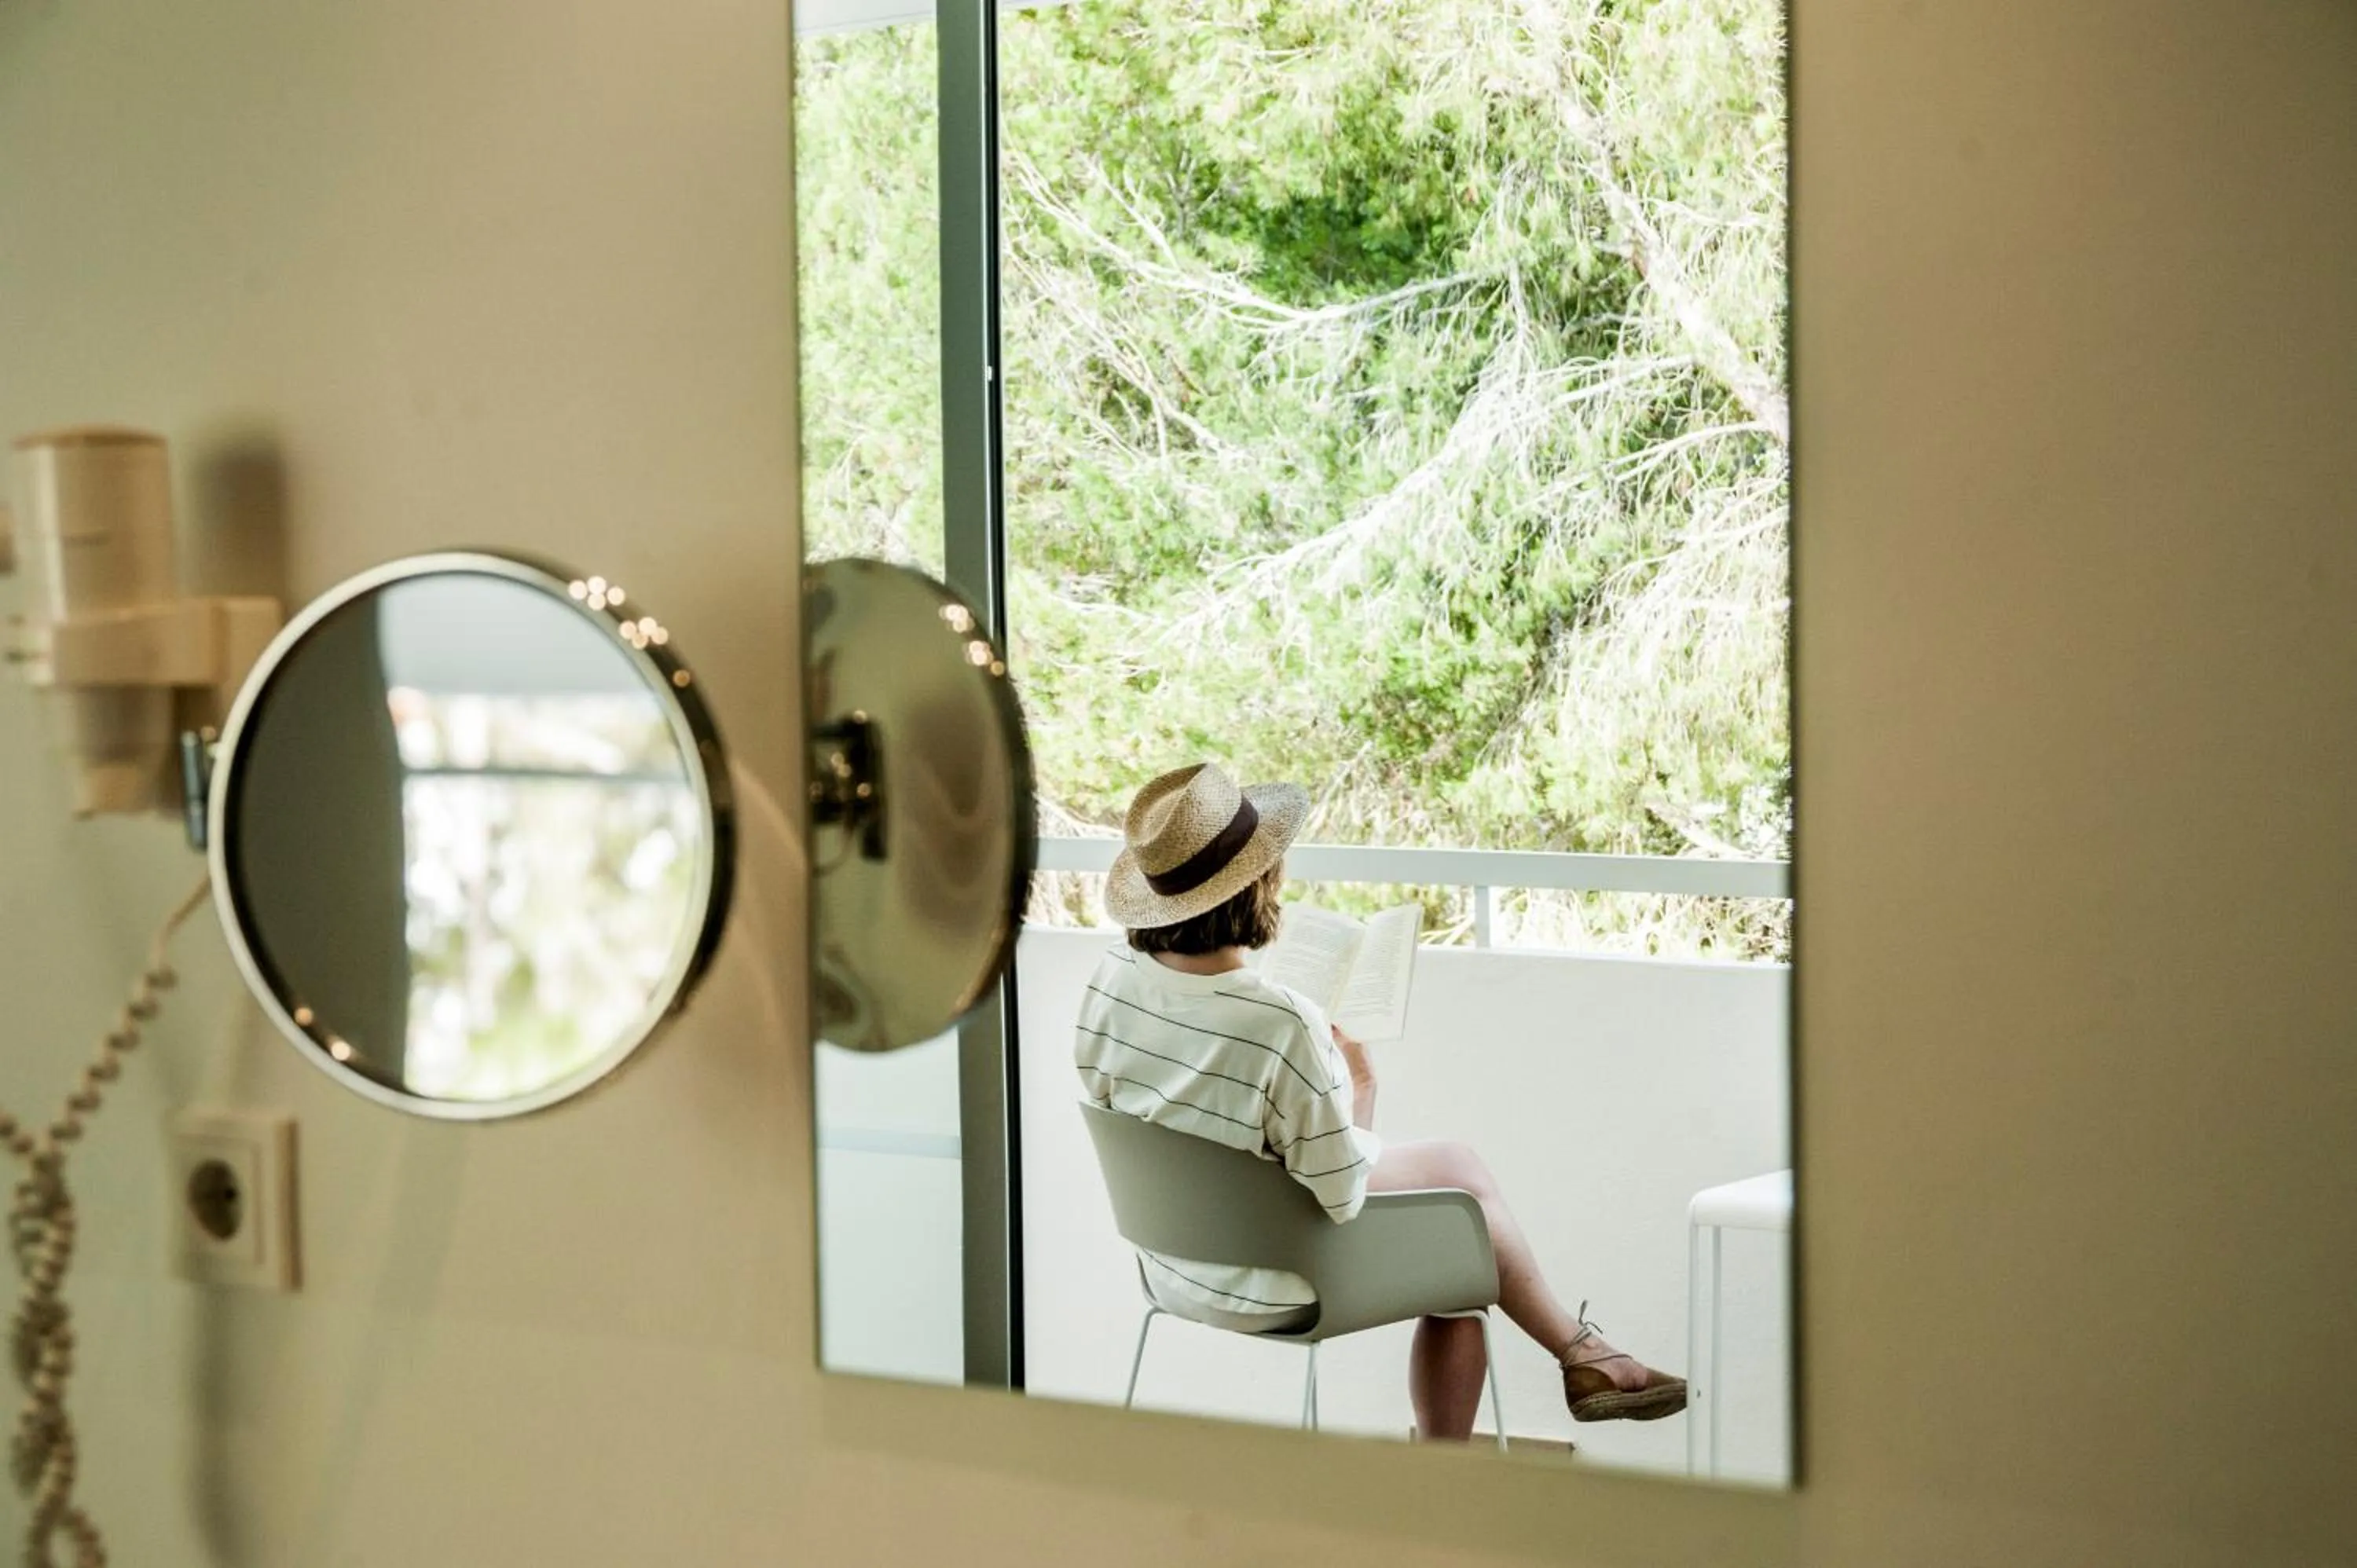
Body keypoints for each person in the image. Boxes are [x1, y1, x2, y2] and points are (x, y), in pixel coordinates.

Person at [1076, 760, 1686, 1442]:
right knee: (1465, 1243)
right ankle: (1497, 1424)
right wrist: (1357, 1087)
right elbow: (1339, 1199)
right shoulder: (1279, 1022)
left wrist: (1343, 1098)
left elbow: (1132, 1108)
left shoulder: (1110, 981)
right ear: (1258, 883)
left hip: (1172, 1263)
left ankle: (1587, 1357)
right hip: (1279, 1279)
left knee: (1458, 1173)